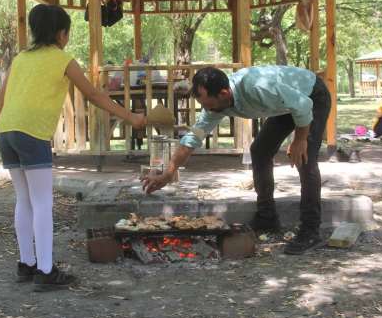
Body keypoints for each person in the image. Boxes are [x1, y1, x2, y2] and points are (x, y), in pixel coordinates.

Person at [0, 4, 145, 291]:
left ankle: (26, 264)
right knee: (42, 202)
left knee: (23, 200)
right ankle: (46, 271)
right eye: (67, 32)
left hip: (7, 131)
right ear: (61, 34)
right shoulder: (63, 59)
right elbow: (93, 94)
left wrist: (3, 130)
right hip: (32, 132)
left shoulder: (19, 59)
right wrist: (131, 116)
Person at [142, 66, 331, 255]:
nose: (209, 111)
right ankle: (267, 218)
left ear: (224, 93)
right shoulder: (214, 106)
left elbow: (302, 104)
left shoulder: (257, 87)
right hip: (286, 104)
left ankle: (311, 230)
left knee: (305, 158)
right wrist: (168, 173)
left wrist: (299, 140)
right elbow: (192, 139)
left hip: (311, 96)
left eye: (211, 106)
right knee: (259, 151)